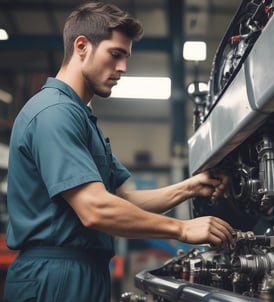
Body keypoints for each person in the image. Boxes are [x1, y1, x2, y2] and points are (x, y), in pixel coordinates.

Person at [3, 2, 233, 302]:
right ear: (82, 46)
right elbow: (96, 209)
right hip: (54, 276)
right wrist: (181, 229)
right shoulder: (54, 113)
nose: (123, 68)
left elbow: (121, 201)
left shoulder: (81, 117)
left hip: (83, 271)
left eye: (126, 57)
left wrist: (188, 188)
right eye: (115, 54)